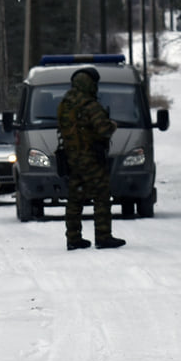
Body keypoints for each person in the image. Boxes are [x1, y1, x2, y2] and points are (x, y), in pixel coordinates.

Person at [57, 68, 124, 250]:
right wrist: (112, 125)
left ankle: (73, 238)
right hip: (90, 157)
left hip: (72, 156)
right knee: (101, 195)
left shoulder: (65, 104)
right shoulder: (90, 105)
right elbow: (103, 130)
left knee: (75, 198)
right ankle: (103, 236)